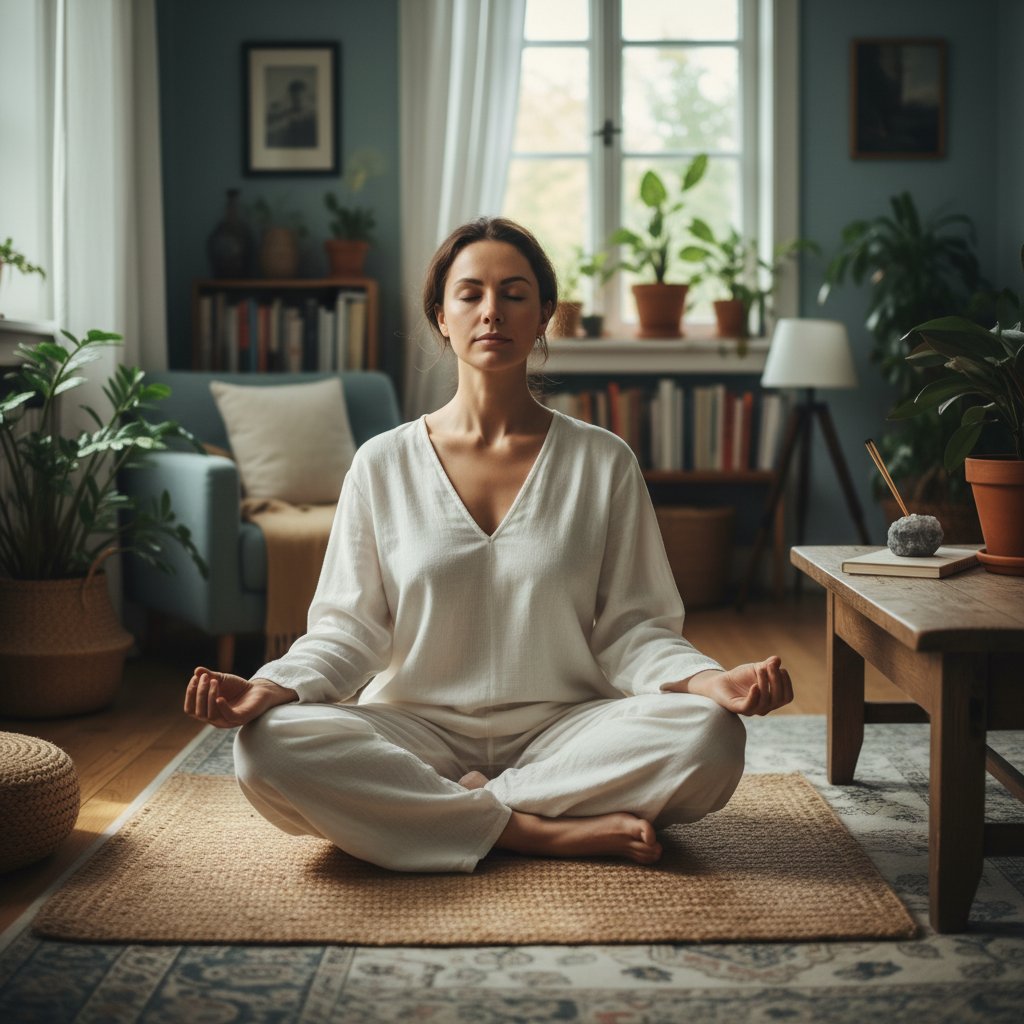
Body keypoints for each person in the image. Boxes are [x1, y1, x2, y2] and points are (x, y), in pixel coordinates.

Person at [184, 217, 793, 872]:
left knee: (711, 738)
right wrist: (271, 687)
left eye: (514, 293)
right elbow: (348, 632)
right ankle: (533, 830)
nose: (491, 311)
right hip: (414, 729)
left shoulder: (602, 462)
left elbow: (634, 630)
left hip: (568, 730)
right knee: (266, 746)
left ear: (543, 317)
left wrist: (711, 681)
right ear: (441, 316)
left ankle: (447, 815)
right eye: (470, 293)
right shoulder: (381, 464)